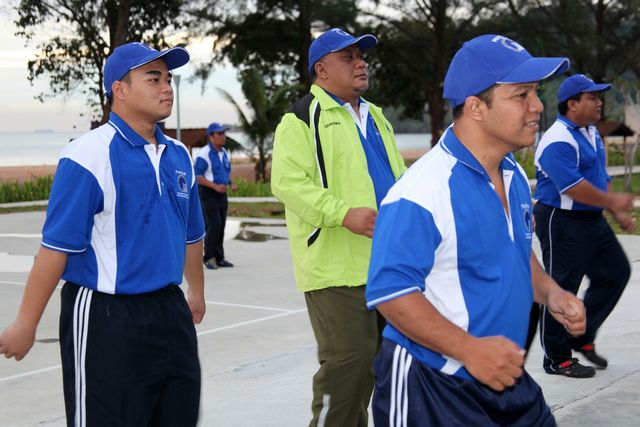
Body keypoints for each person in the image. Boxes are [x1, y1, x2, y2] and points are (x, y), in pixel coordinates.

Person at [365, 34, 587, 426]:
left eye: (536, 92)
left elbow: (515, 249)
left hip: (502, 374)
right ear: (475, 108)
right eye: (521, 95)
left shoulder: (512, 174)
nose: (538, 106)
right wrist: (469, 349)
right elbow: (390, 291)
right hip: (432, 385)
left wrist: (551, 292)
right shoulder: (422, 190)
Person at [0, 42, 206, 426]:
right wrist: (26, 322)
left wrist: (196, 290)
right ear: (120, 89)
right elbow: (55, 249)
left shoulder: (179, 155)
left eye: (168, 79)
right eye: (154, 79)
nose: (167, 87)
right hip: (107, 316)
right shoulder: (87, 155)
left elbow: (192, 235)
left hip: (170, 311)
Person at [271, 28, 407, 426]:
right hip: (335, 268)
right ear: (321, 69)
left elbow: (398, 177)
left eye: (362, 56)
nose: (360, 63)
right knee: (348, 361)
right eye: (348, 57)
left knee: (382, 364)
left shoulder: (376, 116)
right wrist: (343, 213)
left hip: (386, 261)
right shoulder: (300, 118)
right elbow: (288, 184)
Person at [533, 74, 635, 378]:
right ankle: (557, 358)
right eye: (592, 97)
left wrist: (615, 211)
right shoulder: (557, 140)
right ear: (572, 104)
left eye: (599, 97)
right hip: (561, 221)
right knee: (561, 288)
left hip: (592, 219)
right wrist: (613, 200)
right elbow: (573, 187)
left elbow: (600, 175)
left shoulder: (590, 132)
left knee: (615, 273)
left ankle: (581, 335)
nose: (599, 103)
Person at [194, 122, 237, 269]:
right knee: (214, 225)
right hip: (208, 193)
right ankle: (208, 257)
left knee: (221, 225)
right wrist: (215, 186)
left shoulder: (223, 153)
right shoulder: (204, 154)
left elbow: (225, 172)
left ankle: (219, 258)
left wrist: (231, 183)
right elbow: (197, 176)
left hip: (222, 194)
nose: (223, 136)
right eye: (219, 134)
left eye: (224, 133)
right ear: (211, 136)